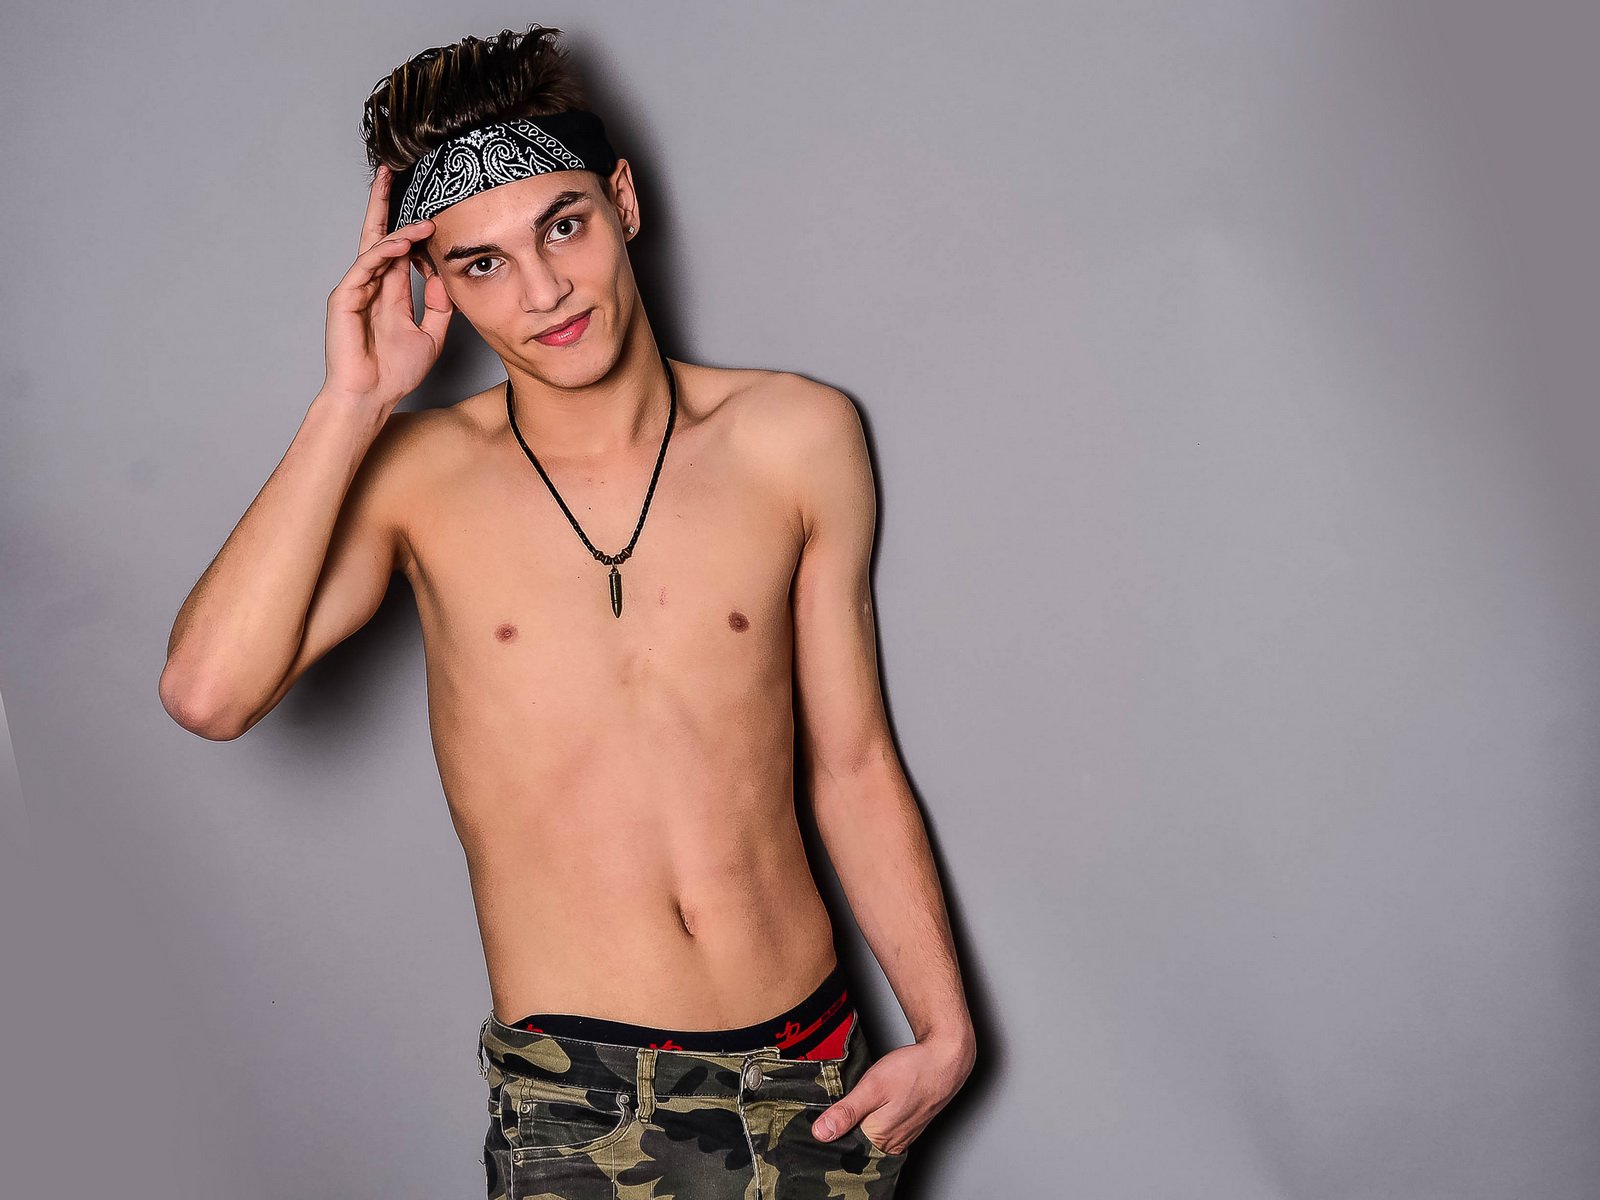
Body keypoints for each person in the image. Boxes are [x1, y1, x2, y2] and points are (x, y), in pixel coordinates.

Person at [159, 23, 975, 1198]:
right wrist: (351, 403)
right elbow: (208, 693)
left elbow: (850, 761)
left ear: (621, 202)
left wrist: (942, 1030)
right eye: (481, 262)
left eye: (561, 226)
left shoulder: (796, 437)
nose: (543, 292)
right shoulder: (416, 480)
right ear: (434, 284)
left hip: (816, 1072)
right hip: (581, 1099)